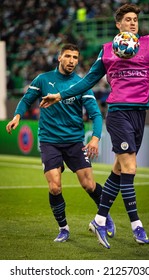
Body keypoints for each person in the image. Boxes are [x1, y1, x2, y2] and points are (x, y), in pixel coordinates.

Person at [39, 3, 149, 249]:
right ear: (118, 24)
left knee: (120, 171)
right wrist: (60, 95)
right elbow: (89, 80)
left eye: (135, 19)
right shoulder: (107, 50)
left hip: (140, 114)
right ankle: (136, 224)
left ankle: (99, 219)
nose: (133, 23)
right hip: (118, 113)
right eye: (128, 19)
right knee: (131, 167)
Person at [6, 43, 115, 243]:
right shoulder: (43, 79)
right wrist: (17, 116)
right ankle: (63, 228)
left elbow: (96, 116)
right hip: (49, 141)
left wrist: (94, 138)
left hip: (74, 141)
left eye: (75, 57)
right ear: (59, 58)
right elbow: (26, 99)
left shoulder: (82, 84)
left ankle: (104, 215)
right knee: (55, 187)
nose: (72, 61)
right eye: (68, 56)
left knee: (89, 185)